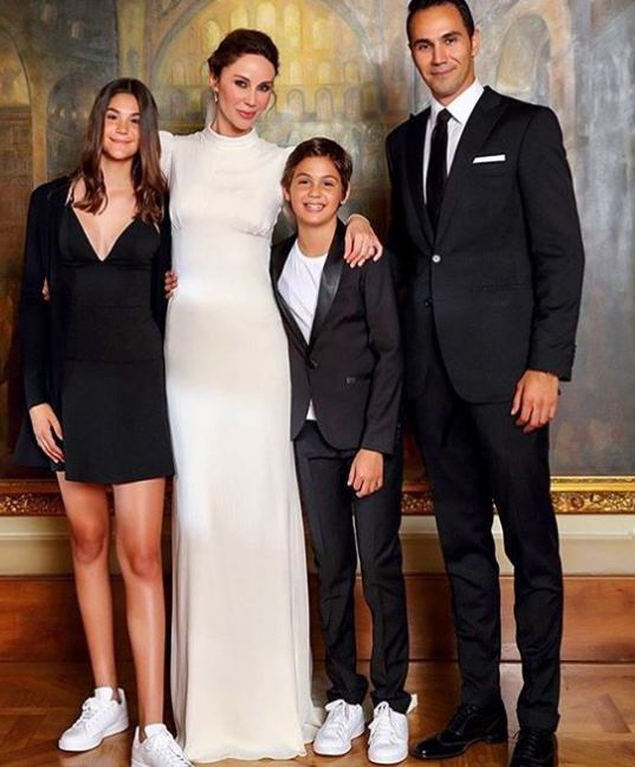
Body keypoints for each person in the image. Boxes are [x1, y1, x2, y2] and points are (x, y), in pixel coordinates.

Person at [160, 29, 383, 761]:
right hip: (190, 360)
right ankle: (207, 709)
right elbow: (109, 199)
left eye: (264, 87)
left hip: (259, 363)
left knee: (258, 518)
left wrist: (359, 220)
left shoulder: (277, 166)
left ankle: (268, 703)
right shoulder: (170, 152)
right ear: (213, 79)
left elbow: (324, 206)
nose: (252, 99)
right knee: (201, 519)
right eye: (240, 82)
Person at [385, 2, 584, 766]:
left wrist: (546, 364)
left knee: (531, 547)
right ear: (412, 53)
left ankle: (537, 721)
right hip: (431, 382)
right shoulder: (404, 143)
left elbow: (559, 255)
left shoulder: (525, 127)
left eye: (448, 40)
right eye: (422, 45)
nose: (436, 56)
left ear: (473, 42)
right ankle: (479, 707)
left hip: (510, 380)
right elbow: (415, 259)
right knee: (462, 546)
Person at [15, 78, 191, 767]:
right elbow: (32, 304)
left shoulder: (163, 205)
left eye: (134, 119)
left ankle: (153, 729)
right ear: (97, 124)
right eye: (112, 116)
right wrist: (37, 398)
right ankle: (105, 696)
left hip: (139, 389)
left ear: (147, 131)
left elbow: (174, 296)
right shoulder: (48, 203)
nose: (122, 128)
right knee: (87, 542)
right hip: (71, 390)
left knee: (141, 554)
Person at [272, 138, 412, 764]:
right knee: (330, 568)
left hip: (364, 437)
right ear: (287, 192)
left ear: (344, 193)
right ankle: (345, 697)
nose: (315, 192)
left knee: (378, 567)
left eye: (328, 183)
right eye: (304, 181)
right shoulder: (272, 261)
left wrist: (376, 444)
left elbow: (391, 354)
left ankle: (391, 702)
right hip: (306, 438)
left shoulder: (364, 255)